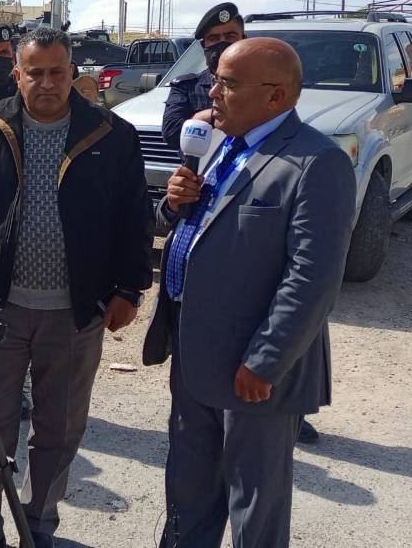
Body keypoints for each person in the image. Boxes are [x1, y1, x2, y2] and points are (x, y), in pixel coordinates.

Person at [143, 38, 356, 548]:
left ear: (276, 96)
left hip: (252, 368)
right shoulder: (223, 144)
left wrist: (265, 360)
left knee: (254, 503)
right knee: (190, 486)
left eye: (228, 84)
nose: (213, 93)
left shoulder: (316, 162)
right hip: (195, 352)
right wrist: (174, 205)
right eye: (216, 80)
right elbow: (199, 230)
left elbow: (313, 278)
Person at [0, 26, 153, 547]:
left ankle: (39, 522)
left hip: (75, 311)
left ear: (73, 73)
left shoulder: (110, 134)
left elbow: (135, 216)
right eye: (35, 73)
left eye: (56, 72)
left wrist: (129, 289)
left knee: (59, 428)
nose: (46, 83)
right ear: (18, 76)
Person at [161, 2, 245, 150]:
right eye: (214, 38)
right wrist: (213, 115)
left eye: (230, 36)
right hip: (200, 164)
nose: (222, 43)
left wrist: (196, 120)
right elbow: (172, 133)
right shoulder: (187, 87)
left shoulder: (262, 84)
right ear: (203, 45)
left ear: (243, 40)